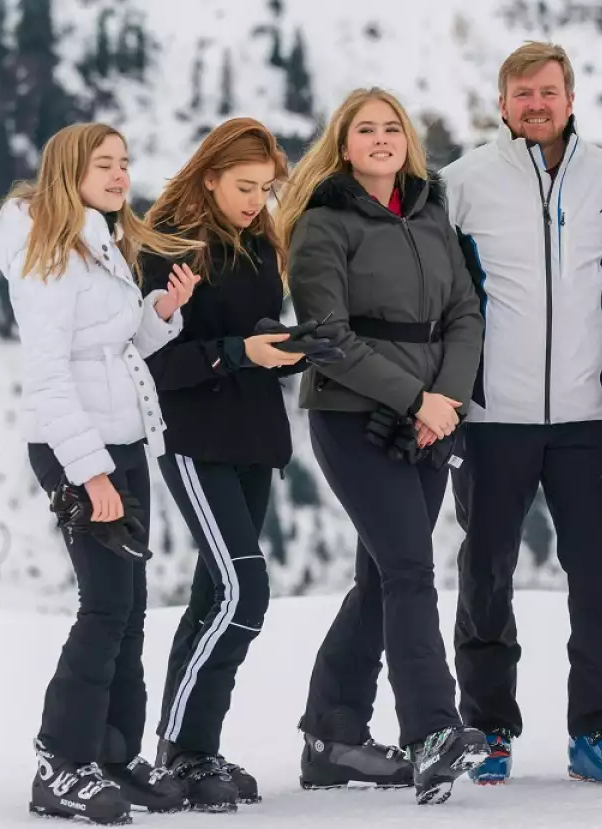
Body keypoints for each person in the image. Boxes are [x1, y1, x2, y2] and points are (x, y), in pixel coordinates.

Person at [438, 40, 602, 787]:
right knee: (485, 574)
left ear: (569, 98)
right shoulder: (460, 183)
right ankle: (488, 726)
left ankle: (599, 730)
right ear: (501, 103)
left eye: (548, 91)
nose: (536, 104)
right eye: (522, 93)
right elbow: (438, 293)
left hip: (588, 417)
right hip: (492, 415)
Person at [274, 87, 488, 806]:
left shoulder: (430, 213)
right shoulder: (323, 224)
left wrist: (444, 401)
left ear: (407, 141)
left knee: (382, 578)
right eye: (365, 129)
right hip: (353, 418)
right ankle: (433, 730)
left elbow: (465, 312)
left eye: (391, 127)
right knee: (408, 569)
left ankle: (332, 736)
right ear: (343, 145)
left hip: (430, 418)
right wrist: (414, 399)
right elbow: (327, 338)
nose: (381, 138)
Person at [0, 122, 202, 824]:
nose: (119, 175)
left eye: (124, 162)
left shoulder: (98, 241)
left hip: (122, 439)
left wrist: (162, 310)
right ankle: (61, 762)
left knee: (131, 606)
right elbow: (50, 377)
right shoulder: (48, 251)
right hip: (78, 448)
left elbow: (111, 344)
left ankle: (112, 756)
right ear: (68, 172)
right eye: (103, 164)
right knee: (106, 604)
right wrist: (91, 474)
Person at [138, 117, 343, 811]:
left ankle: (193, 748)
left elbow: (248, 340)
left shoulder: (260, 243)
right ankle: (182, 748)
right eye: (244, 186)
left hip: (254, 438)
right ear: (209, 178)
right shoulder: (167, 248)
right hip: (195, 440)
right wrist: (238, 352)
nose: (257, 201)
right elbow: (154, 363)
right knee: (242, 593)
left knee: (213, 598)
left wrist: (287, 349)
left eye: (265, 189)